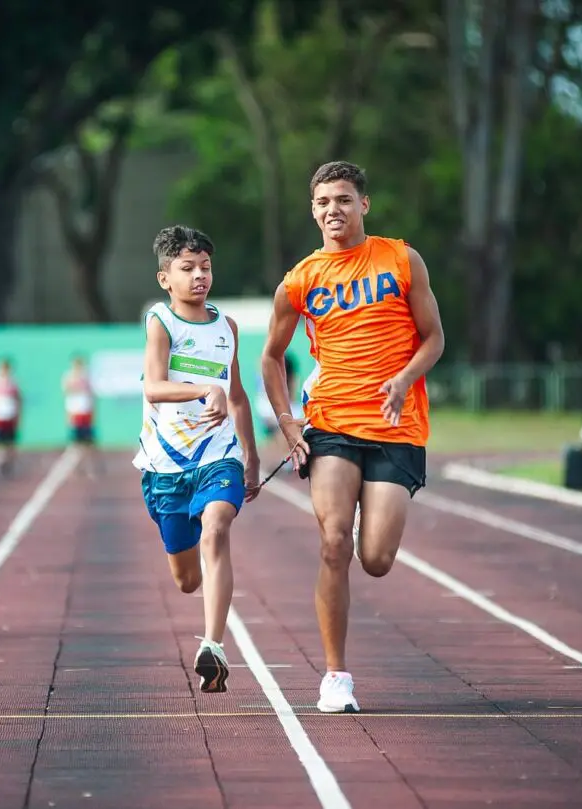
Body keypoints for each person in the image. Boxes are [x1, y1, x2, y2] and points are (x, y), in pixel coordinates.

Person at [260, 160, 445, 714]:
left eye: (343, 199)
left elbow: (433, 338)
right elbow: (270, 358)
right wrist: (289, 422)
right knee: (334, 542)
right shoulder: (301, 280)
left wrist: (405, 378)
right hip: (332, 423)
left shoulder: (401, 259)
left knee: (377, 559)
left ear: (364, 204)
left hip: (395, 425)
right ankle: (336, 676)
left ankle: (372, 505)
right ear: (312, 211)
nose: (332, 210)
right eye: (322, 202)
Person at [133, 225, 262, 694]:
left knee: (217, 528)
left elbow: (239, 396)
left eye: (205, 266)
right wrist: (203, 389)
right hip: (166, 465)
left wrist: (249, 455)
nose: (199, 276)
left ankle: (214, 645)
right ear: (165, 278)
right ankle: (204, 617)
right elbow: (153, 386)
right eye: (187, 269)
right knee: (187, 579)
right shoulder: (160, 322)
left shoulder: (226, 327)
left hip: (219, 455)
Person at [62, 354, 103, 476]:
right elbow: (67, 395)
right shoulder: (68, 378)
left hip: (86, 413)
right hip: (75, 413)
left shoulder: (88, 378)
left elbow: (93, 397)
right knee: (75, 443)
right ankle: (76, 468)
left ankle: (91, 467)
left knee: (89, 443)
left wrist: (93, 414)